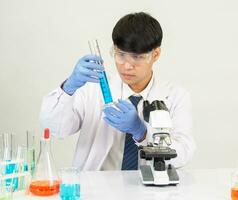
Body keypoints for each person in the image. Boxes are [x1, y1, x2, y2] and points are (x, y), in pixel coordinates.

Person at [40, 12, 196, 171]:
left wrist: (142, 132)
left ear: (155, 54)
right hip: (96, 190)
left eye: (137, 57)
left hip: (149, 191)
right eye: (120, 54)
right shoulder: (93, 89)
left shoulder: (176, 96)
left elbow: (182, 155)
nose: (127, 66)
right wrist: (68, 88)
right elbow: (57, 130)